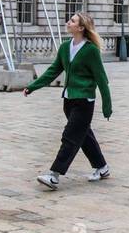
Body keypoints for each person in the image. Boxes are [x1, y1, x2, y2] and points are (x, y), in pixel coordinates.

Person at [23, 12, 113, 190]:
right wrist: (32, 86)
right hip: (68, 100)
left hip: (84, 101)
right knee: (84, 136)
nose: (68, 22)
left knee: (70, 137)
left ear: (81, 28)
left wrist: (107, 106)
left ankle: (54, 175)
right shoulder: (65, 47)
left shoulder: (91, 50)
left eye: (72, 21)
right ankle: (102, 167)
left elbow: (102, 79)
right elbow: (52, 71)